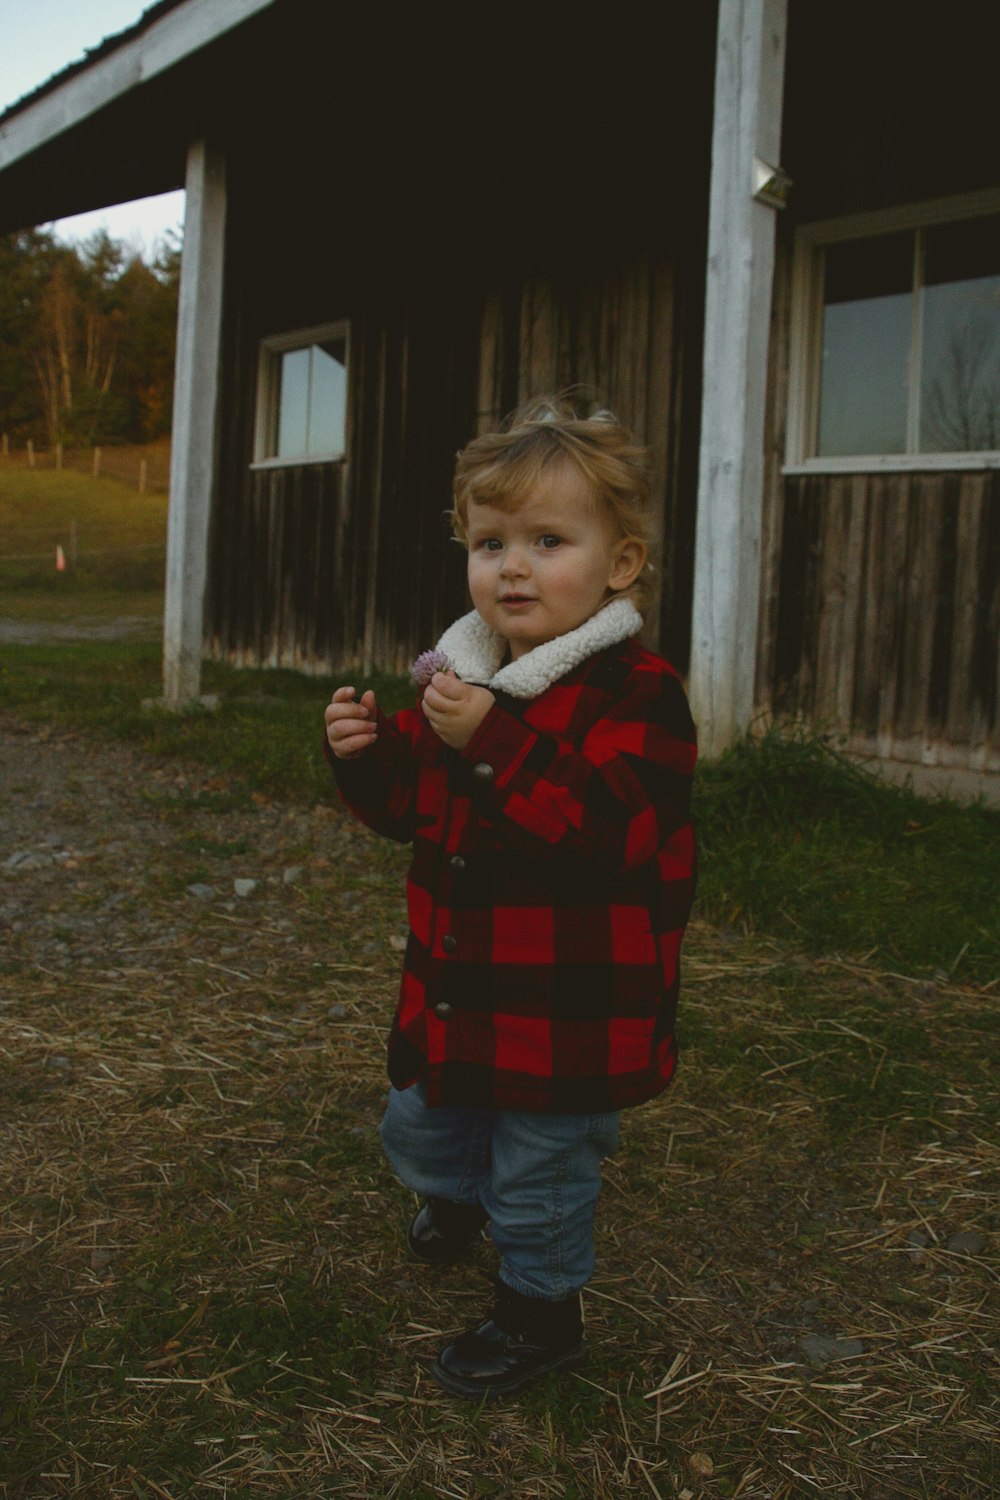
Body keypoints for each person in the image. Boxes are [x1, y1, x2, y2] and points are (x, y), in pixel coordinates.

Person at [324, 395, 697, 1399]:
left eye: (547, 540)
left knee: (541, 1173)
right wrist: (368, 759)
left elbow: (607, 831)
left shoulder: (637, 694)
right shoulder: (470, 671)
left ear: (619, 564)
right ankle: (455, 1198)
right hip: (457, 988)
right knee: (419, 1125)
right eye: (490, 543)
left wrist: (487, 738)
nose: (512, 566)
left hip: (567, 1007)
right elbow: (416, 797)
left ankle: (541, 1315)